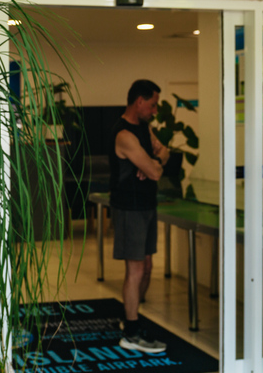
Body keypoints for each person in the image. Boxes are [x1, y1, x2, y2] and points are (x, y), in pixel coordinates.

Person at [109, 79, 170, 353]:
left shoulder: (144, 128)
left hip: (147, 206)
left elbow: (164, 152)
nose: (155, 111)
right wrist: (153, 164)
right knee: (134, 271)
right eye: (153, 105)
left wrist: (152, 162)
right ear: (140, 102)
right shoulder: (124, 135)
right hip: (129, 209)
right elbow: (157, 170)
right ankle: (131, 334)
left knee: (147, 268)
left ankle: (130, 318)